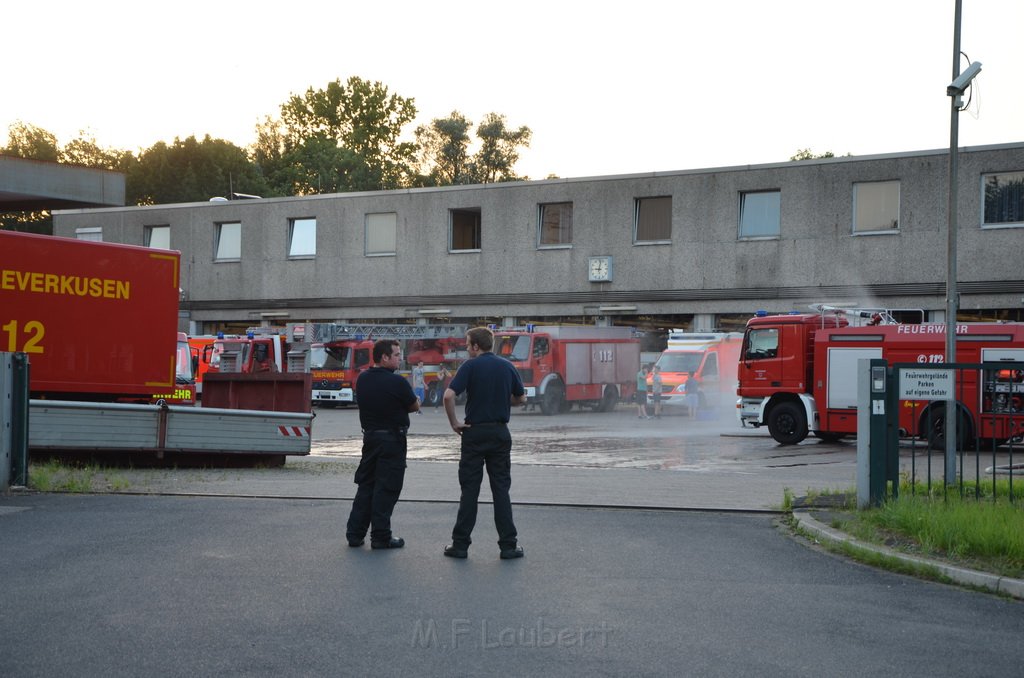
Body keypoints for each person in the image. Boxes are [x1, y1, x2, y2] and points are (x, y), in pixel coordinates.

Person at [442, 327, 527, 560]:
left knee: (469, 490)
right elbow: (521, 398)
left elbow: (449, 396)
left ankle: (460, 546)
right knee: (501, 490)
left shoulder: (469, 366)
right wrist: (501, 399)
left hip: (474, 433)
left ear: (476, 346)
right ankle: (508, 546)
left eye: (468, 344)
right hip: (500, 433)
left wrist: (454, 423)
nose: (467, 348)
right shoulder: (507, 366)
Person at [345, 339, 419, 550]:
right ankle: (381, 537)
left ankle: (354, 533)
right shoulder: (397, 382)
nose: (400, 358)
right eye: (396, 354)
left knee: (366, 485)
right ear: (384, 357)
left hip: (370, 439)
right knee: (386, 488)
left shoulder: (363, 379)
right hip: (392, 441)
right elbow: (413, 405)